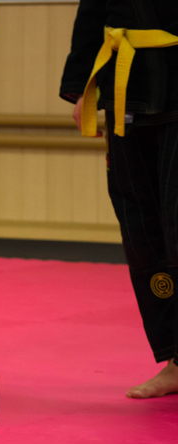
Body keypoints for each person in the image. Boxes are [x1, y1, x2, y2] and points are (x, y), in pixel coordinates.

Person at [60, 0, 178, 398]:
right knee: (140, 226)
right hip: (127, 89)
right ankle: (174, 358)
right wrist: (82, 85)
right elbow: (94, 10)